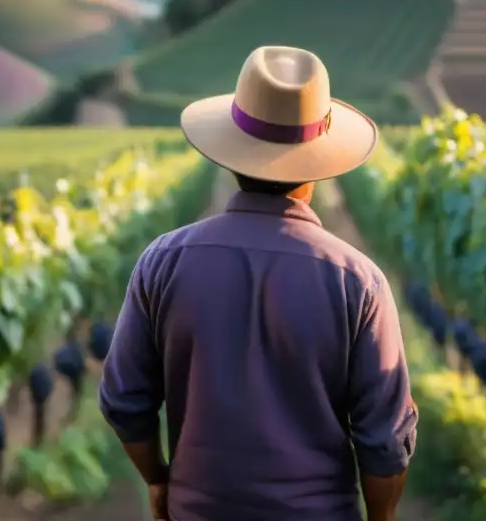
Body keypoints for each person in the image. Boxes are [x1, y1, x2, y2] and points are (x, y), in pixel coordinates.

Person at [98, 45, 417, 521]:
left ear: (233, 153)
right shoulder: (358, 282)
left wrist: (159, 481)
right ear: (318, 164)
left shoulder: (162, 263)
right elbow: (386, 442)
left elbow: (124, 401)